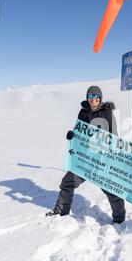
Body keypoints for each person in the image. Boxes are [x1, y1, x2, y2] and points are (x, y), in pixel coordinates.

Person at [46, 86, 126, 224]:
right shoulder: (83, 112)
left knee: (111, 189)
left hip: (102, 158)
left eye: (96, 96)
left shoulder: (107, 113)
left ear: (100, 98)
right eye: (90, 96)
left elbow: (113, 136)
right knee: (67, 183)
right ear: (87, 98)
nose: (93, 99)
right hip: (84, 158)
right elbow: (79, 131)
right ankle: (60, 213)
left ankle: (119, 220)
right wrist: (72, 135)